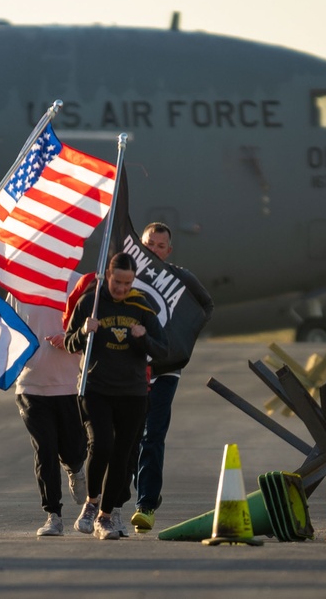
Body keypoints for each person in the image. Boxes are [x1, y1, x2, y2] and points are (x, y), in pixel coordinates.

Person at [64, 252, 168, 540]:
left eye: (127, 283)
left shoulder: (140, 305)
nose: (122, 289)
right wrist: (85, 332)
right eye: (117, 282)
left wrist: (143, 338)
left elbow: (163, 349)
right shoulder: (91, 302)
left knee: (122, 456)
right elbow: (69, 341)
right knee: (102, 445)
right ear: (106, 276)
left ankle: (105, 517)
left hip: (132, 392)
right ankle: (91, 502)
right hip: (95, 388)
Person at [129, 222, 214, 533]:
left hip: (166, 370)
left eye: (159, 246)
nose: (153, 250)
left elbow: (206, 305)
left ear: (168, 250)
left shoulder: (179, 277)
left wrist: (182, 336)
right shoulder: (126, 276)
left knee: (153, 435)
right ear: (140, 244)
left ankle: (146, 505)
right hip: (130, 370)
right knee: (130, 437)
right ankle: (146, 486)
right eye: (149, 244)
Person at [9, 274, 89, 537]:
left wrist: (69, 338)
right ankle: (53, 514)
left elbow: (93, 333)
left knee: (74, 449)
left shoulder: (79, 285)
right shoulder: (18, 287)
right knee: (45, 449)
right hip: (30, 384)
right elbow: (7, 329)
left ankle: (76, 468)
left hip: (69, 385)